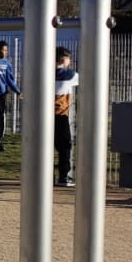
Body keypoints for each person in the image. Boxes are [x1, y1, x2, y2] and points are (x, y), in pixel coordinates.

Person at [54, 46, 78, 187]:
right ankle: (64, 176)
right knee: (65, 146)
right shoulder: (70, 75)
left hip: (42, 115)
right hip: (60, 115)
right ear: (64, 59)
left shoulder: (43, 72)